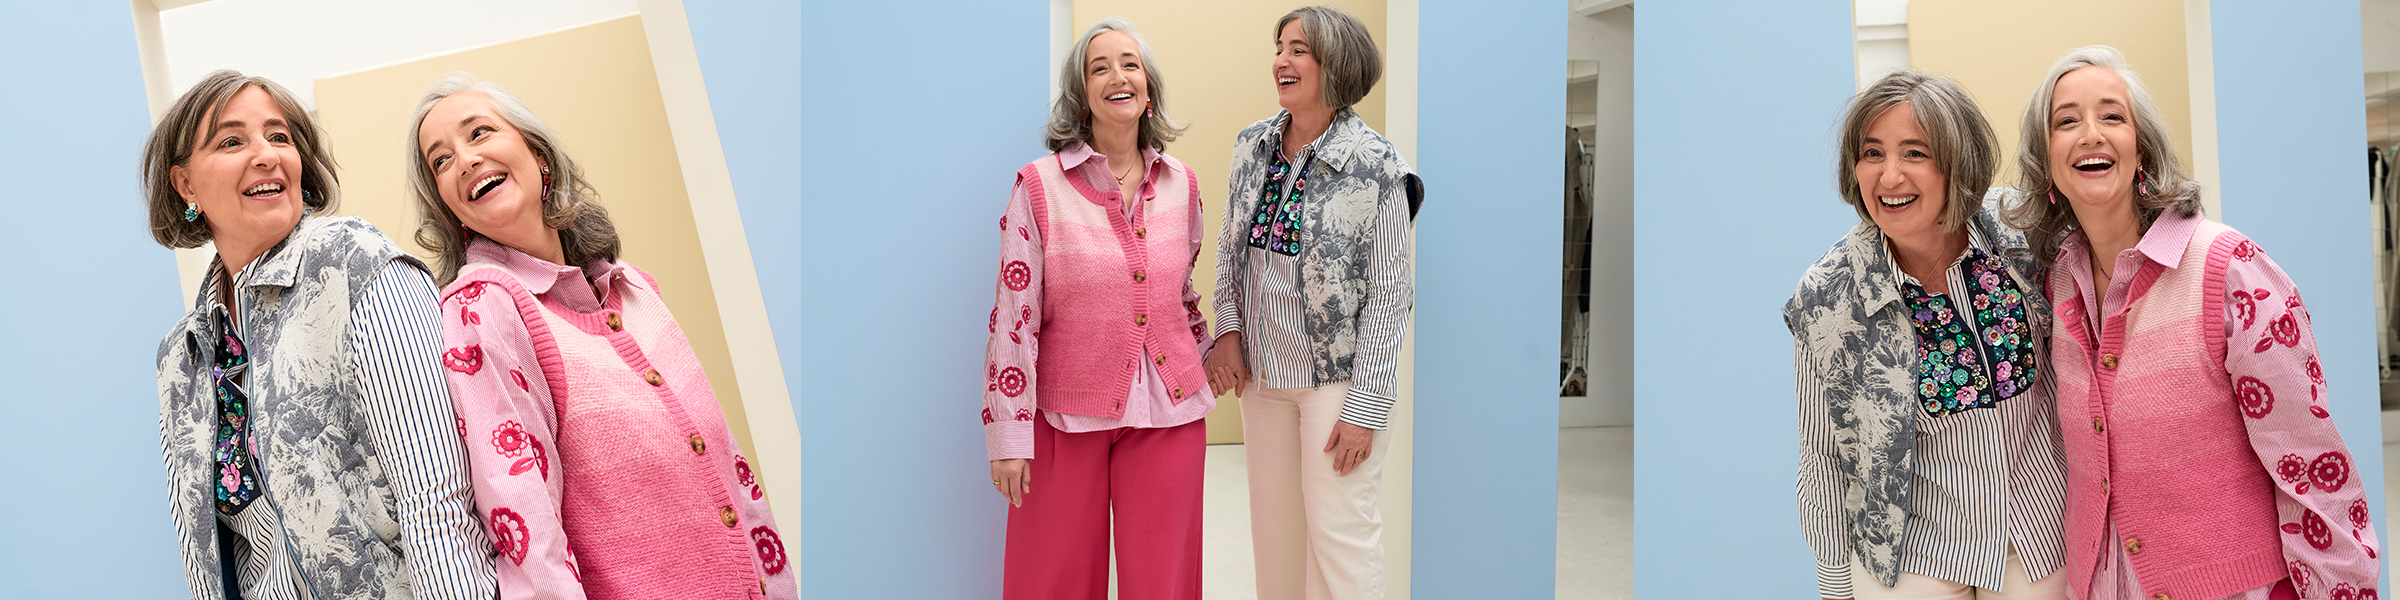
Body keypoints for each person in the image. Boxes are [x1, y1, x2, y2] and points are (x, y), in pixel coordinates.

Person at [2006, 45, 2378, 600]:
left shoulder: (2231, 270)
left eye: (2112, 116)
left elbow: (2310, 465)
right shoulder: (2057, 283)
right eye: (2066, 121)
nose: (2091, 134)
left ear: (2142, 151)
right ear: (2046, 164)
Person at [407, 73, 795, 599]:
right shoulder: (483, 307)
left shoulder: (635, 288)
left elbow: (732, 471)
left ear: (539, 155)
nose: (466, 160)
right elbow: (527, 527)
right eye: (441, 161)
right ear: (449, 207)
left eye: (479, 133)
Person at [144, 69, 495, 599]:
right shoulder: (181, 357)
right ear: (185, 185)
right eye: (232, 142)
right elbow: (205, 561)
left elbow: (437, 498)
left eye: (279, 137)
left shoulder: (354, 262)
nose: (267, 155)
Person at [1785, 69, 2068, 600]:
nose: (1889, 175)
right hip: (1911, 550)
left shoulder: (2023, 235)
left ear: (1957, 163)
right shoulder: (1828, 294)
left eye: (1914, 153)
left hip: (2038, 533)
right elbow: (1822, 456)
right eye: (1872, 153)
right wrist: (1834, 585)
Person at [981, 18, 1213, 600]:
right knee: (1049, 579)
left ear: (1148, 87)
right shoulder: (1039, 186)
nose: (1118, 76)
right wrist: (1010, 435)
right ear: (1081, 94)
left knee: (1163, 582)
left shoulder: (1182, 184)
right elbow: (1014, 317)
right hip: (1064, 413)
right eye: (1099, 67)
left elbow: (1182, 296)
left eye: (1130, 64)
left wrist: (1212, 356)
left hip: (1170, 413)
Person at [1202, 6, 1419, 599]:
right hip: (1264, 378)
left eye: (1298, 49)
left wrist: (1366, 408)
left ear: (1335, 63)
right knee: (1275, 539)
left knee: (1341, 538)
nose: (1282, 60)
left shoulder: (1378, 165)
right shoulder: (1253, 145)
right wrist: (1227, 333)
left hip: (1337, 384)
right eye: (1279, 47)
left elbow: (1390, 294)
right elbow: (1229, 250)